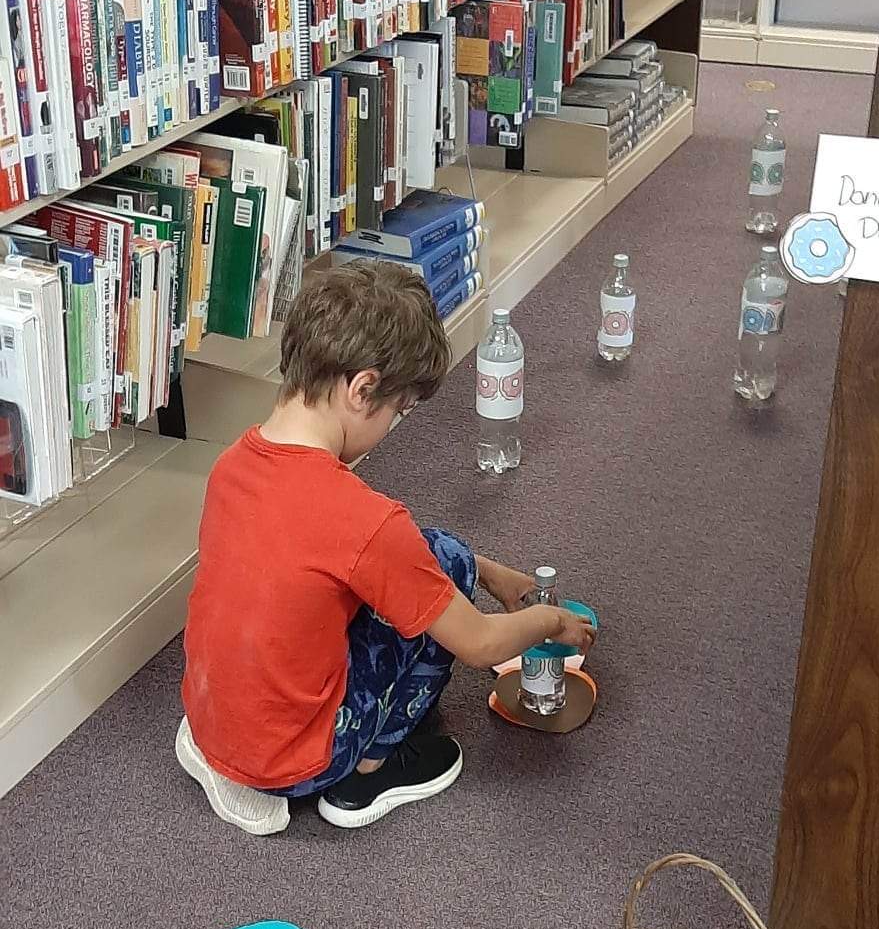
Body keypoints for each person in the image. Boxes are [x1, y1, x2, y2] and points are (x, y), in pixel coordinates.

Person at [176, 259, 595, 836]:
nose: (393, 427)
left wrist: (495, 573)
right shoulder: (365, 519)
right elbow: (478, 644)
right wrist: (551, 622)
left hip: (214, 721)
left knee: (422, 555)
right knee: (440, 572)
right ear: (363, 388)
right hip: (303, 762)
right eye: (398, 413)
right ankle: (369, 770)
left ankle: (242, 754)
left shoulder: (231, 467)